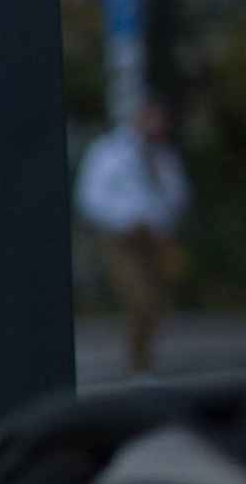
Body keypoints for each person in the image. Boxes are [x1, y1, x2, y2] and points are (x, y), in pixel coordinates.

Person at [75, 101, 190, 373]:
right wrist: (122, 221)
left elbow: (179, 198)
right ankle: (138, 367)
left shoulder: (163, 157)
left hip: (155, 240)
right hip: (121, 240)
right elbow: (90, 197)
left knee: (156, 303)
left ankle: (144, 363)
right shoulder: (109, 153)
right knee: (140, 298)